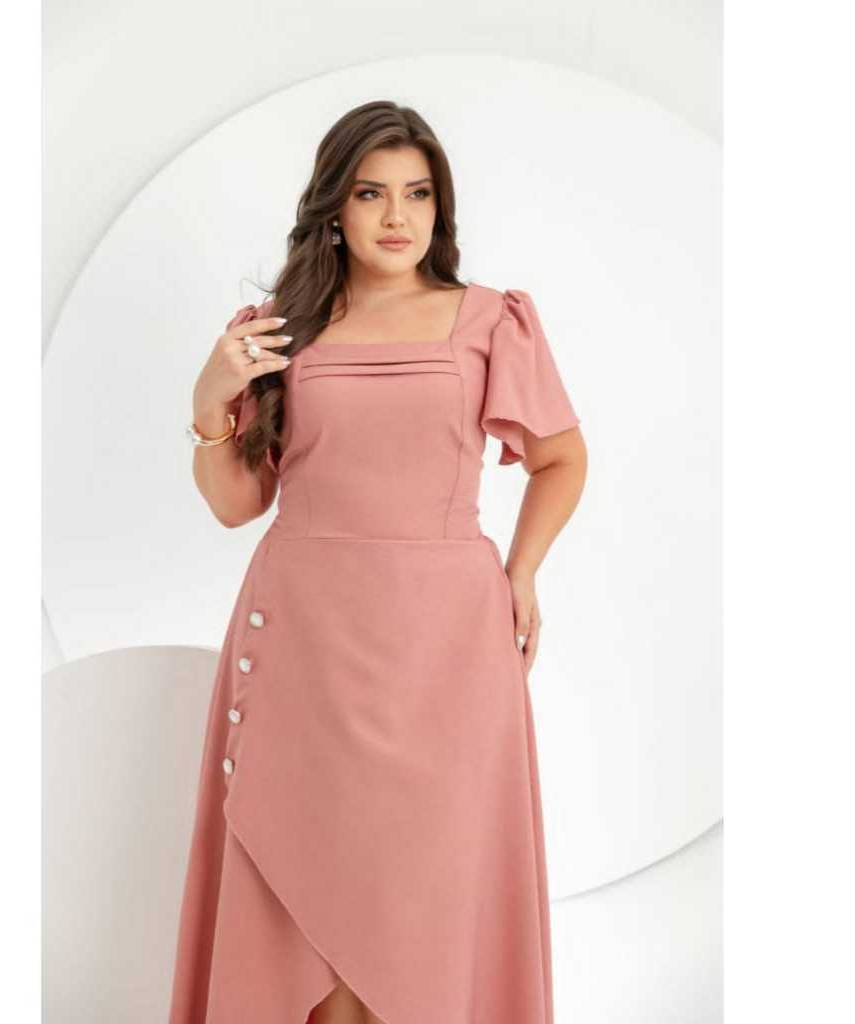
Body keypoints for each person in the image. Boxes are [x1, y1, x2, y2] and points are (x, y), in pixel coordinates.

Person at [169, 99, 587, 1024]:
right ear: (334, 209)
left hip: (448, 648)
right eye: (370, 194)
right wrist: (210, 401)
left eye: (417, 193)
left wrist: (520, 573)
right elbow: (237, 504)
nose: (398, 216)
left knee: (423, 901)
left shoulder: (492, 321)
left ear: (440, 206)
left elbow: (561, 458)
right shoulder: (280, 329)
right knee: (300, 902)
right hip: (305, 642)